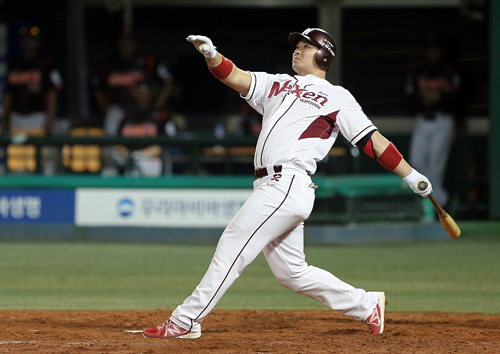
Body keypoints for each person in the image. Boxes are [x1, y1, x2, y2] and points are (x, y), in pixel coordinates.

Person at [142, 28, 433, 339]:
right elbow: (235, 76)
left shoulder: (337, 96)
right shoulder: (278, 83)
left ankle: (185, 321)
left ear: (324, 56)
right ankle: (366, 304)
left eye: (307, 46)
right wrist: (212, 55)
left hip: (287, 181)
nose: (298, 50)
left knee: (232, 244)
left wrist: (410, 174)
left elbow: (373, 142)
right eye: (298, 45)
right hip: (270, 185)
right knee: (292, 273)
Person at [406, 34, 468, 207]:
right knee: (415, 163)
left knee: (436, 167)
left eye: (436, 48)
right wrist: (424, 99)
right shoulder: (419, 71)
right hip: (423, 120)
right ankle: (441, 200)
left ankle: (434, 205)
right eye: (430, 49)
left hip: (443, 120)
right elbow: (409, 97)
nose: (432, 52)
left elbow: (460, 98)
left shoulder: (452, 70)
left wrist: (439, 98)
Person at [91, 28, 174, 136]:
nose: (125, 45)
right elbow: (97, 87)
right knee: (111, 146)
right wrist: (105, 109)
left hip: (142, 111)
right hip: (117, 110)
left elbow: (169, 82)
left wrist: (157, 105)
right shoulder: (108, 64)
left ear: (136, 44)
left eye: (129, 42)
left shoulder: (147, 62)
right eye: (123, 41)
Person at [1, 26, 62, 136]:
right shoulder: (15, 65)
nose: (29, 43)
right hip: (16, 117)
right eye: (26, 40)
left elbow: (53, 93)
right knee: (16, 151)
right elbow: (8, 94)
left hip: (38, 117)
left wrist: (49, 119)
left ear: (38, 42)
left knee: (40, 150)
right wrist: (5, 118)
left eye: (32, 40)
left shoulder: (46, 65)